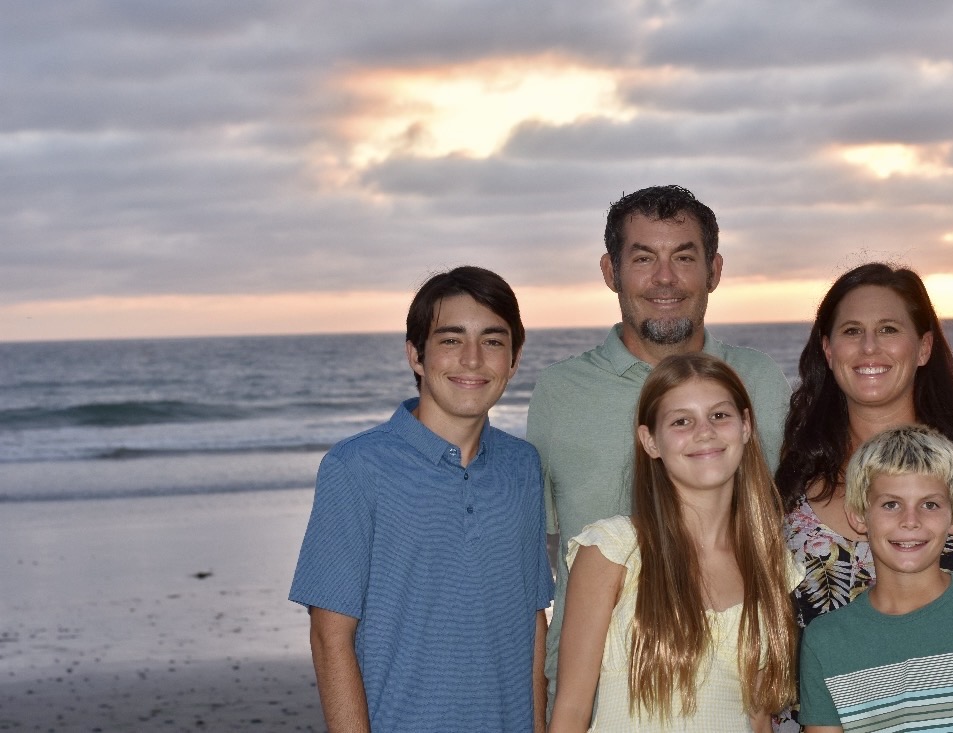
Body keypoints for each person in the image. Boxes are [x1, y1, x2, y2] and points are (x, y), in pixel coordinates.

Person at [528, 185, 791, 714]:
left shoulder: (758, 381)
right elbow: (533, 557)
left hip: (733, 690)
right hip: (595, 698)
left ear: (714, 271)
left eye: (684, 258)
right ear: (611, 272)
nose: (665, 279)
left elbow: (788, 521)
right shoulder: (560, 393)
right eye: (643, 258)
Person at [289, 266, 554, 733]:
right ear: (416, 355)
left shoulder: (524, 468)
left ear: (513, 360)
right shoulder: (355, 468)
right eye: (451, 340)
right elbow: (330, 637)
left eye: (492, 341)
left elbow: (531, 623)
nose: (472, 360)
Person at [774, 262, 953, 648]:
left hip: (946, 706)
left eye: (888, 329)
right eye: (852, 331)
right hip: (812, 709)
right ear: (827, 349)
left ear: (923, 348)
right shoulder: (791, 478)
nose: (869, 346)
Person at [548, 353, 800, 733]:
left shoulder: (771, 562)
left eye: (719, 415)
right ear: (650, 441)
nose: (705, 432)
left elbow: (759, 719)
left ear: (746, 426)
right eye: (681, 421)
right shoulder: (613, 550)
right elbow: (570, 712)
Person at [798, 424, 953, 732]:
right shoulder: (826, 641)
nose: (910, 522)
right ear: (860, 515)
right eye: (891, 504)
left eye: (930, 504)